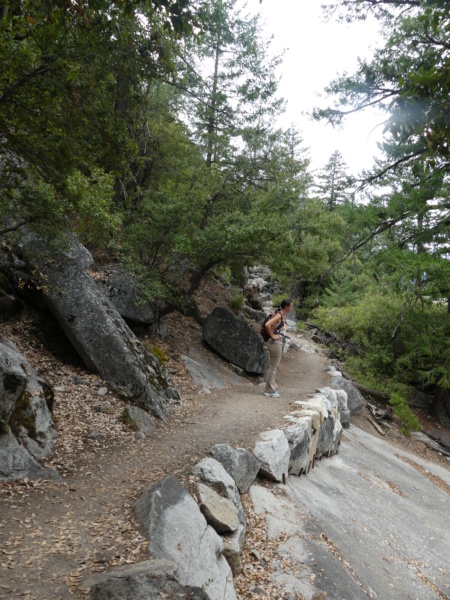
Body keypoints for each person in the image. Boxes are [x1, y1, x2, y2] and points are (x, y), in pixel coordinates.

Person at [264, 299, 294, 397]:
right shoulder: (279, 315)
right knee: (273, 366)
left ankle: (269, 388)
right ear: (286, 307)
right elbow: (267, 324)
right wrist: (273, 335)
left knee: (274, 366)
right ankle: (269, 390)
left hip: (277, 342)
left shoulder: (282, 315)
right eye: (291, 306)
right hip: (275, 342)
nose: (292, 308)